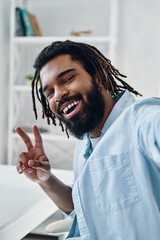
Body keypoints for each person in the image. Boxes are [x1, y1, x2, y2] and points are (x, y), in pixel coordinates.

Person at [16, 40, 160, 240]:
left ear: (98, 76)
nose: (58, 95)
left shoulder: (141, 120)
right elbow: (85, 212)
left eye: (67, 79)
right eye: (49, 92)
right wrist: (46, 180)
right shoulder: (85, 142)